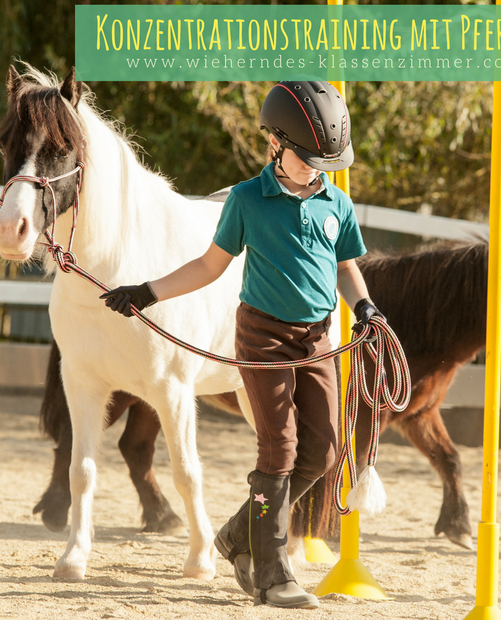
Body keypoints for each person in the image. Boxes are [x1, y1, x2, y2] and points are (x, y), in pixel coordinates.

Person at [101, 80, 382, 609]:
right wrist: (148, 291)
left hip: (317, 339)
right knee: (279, 448)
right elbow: (210, 266)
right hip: (263, 338)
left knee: (319, 452)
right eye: (306, 158)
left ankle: (235, 535)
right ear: (275, 143)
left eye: (324, 161)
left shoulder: (336, 203)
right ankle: (273, 572)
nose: (315, 169)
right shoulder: (248, 200)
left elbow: (347, 267)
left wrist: (363, 305)